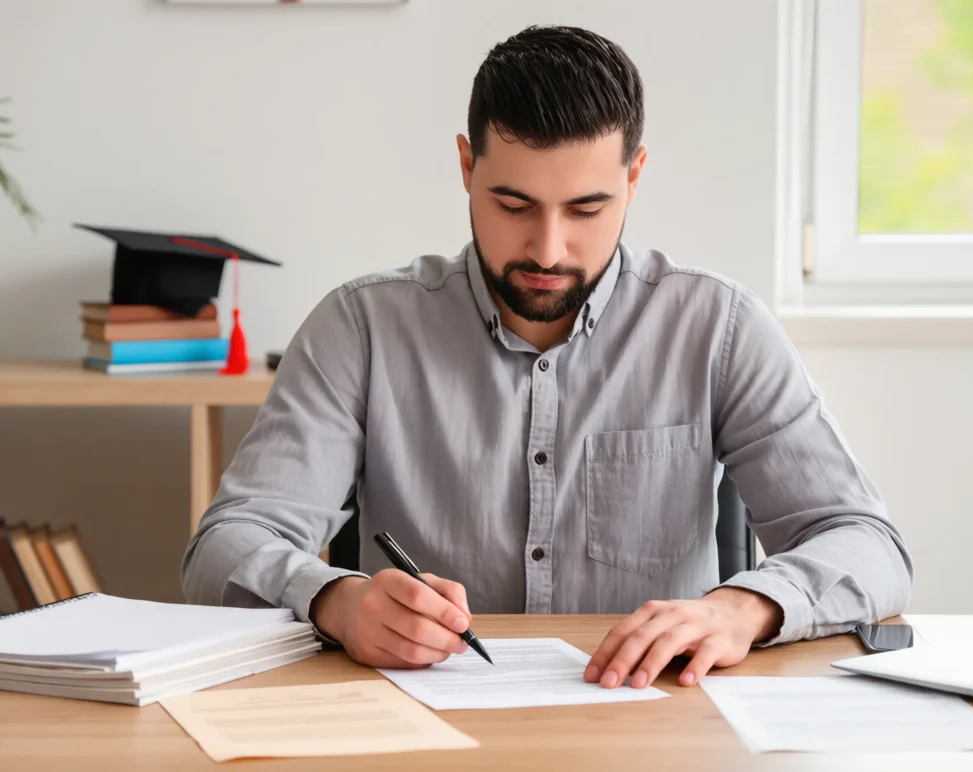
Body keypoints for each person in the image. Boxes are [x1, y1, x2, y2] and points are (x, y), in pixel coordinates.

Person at [181, 24, 913, 690]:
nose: (548, 250)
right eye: (514, 204)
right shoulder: (362, 328)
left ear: (634, 177)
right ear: (466, 166)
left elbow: (868, 545)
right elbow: (225, 547)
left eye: (587, 209)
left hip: (660, 730)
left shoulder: (717, 326)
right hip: (420, 735)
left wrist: (743, 608)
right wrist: (337, 601)